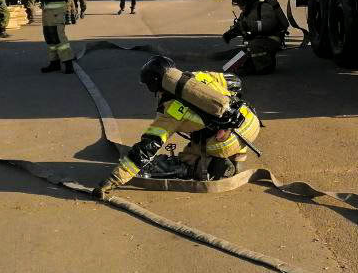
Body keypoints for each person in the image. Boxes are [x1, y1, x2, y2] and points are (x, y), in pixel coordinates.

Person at [95, 55, 261, 194]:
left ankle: (205, 165)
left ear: (153, 85)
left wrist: (114, 179)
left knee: (187, 157)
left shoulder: (171, 111)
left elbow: (147, 148)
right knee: (209, 127)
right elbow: (236, 82)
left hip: (227, 142)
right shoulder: (198, 76)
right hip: (251, 123)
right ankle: (237, 159)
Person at [223, 0, 290, 73]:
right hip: (257, 40)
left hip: (272, 38)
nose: (240, 7)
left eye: (241, 5)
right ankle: (250, 64)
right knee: (230, 65)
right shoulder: (245, 13)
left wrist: (249, 25)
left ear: (248, 2)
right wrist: (230, 34)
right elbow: (240, 26)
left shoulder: (263, 7)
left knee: (254, 46)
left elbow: (269, 24)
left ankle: (265, 67)